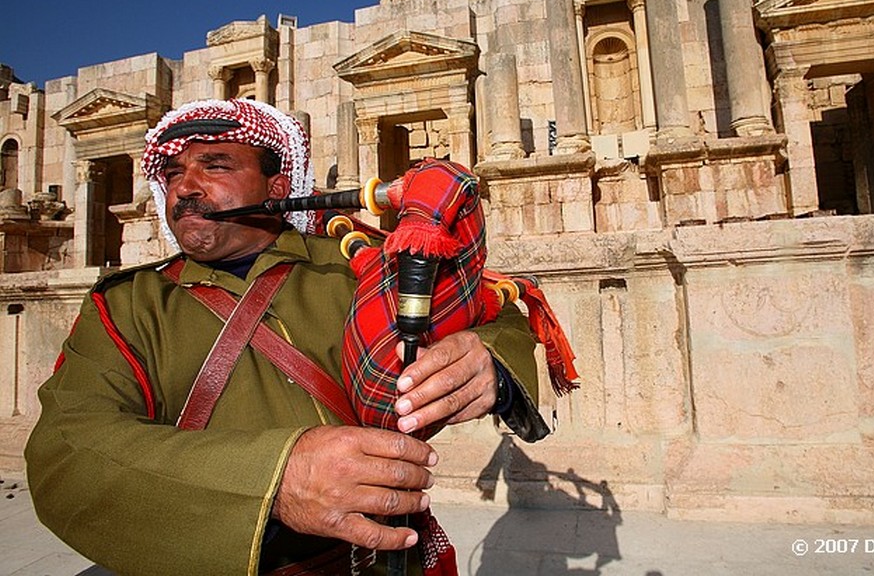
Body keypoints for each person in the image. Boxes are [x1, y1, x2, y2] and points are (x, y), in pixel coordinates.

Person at [25, 98, 551, 575]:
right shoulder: (125, 304)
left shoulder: (357, 262)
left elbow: (494, 306)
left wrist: (490, 360)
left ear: (277, 188)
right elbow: (68, 450)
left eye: (215, 164)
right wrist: (274, 480)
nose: (184, 186)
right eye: (175, 173)